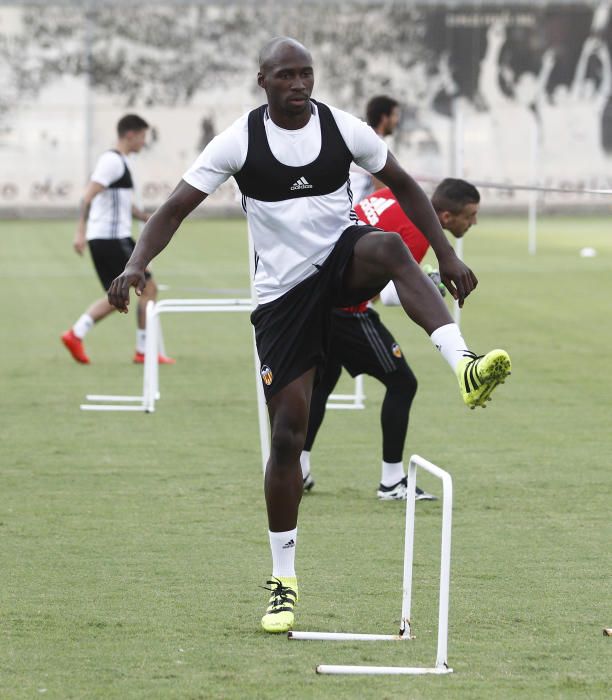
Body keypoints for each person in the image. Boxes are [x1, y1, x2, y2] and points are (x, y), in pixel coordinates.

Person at [106, 37, 511, 635]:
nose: (299, 84)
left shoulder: (345, 130)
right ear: (263, 80)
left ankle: (465, 365)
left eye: (307, 74)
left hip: (342, 262)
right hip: (283, 296)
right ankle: (283, 580)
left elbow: (404, 187)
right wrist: (137, 263)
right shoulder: (237, 142)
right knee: (289, 436)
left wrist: (447, 257)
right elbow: (171, 210)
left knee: (391, 247)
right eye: (287, 75)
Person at [300, 179, 481, 501]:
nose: (475, 222)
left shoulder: (390, 196)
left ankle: (297, 469)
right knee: (402, 383)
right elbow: (388, 291)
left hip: (314, 296)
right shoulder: (414, 231)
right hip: (346, 310)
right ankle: (392, 482)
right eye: (471, 215)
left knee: (324, 381)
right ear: (447, 218)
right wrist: (430, 284)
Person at [61, 113, 174, 365]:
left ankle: (77, 334)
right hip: (110, 238)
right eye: (143, 137)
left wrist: (144, 216)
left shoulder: (120, 161)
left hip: (116, 237)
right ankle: (142, 351)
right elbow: (88, 196)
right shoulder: (111, 162)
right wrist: (80, 232)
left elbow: (120, 202)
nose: (144, 143)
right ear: (130, 135)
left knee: (125, 294)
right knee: (141, 289)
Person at [349, 95, 400, 202]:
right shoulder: (377, 144)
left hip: (347, 206)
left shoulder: (360, 138)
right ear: (384, 118)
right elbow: (380, 189)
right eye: (395, 115)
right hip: (358, 210)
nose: (397, 120)